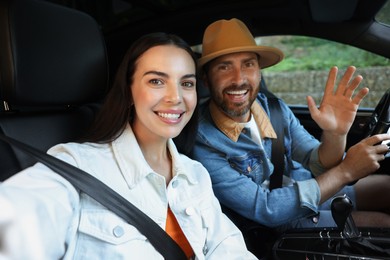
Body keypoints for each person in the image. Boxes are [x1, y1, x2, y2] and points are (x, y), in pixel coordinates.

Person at [0, 32, 256, 260]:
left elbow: (229, 248)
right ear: (129, 91)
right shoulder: (76, 168)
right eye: (156, 81)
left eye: (186, 83)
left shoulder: (195, 174)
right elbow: (16, 220)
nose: (176, 97)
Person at [192, 18, 390, 233]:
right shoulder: (203, 143)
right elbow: (266, 209)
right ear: (206, 79)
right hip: (274, 224)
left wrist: (335, 133)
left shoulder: (274, 109)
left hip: (310, 188)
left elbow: (317, 162)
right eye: (224, 67)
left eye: (248, 64)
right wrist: (345, 172)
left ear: (259, 71)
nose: (239, 79)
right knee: (384, 224)